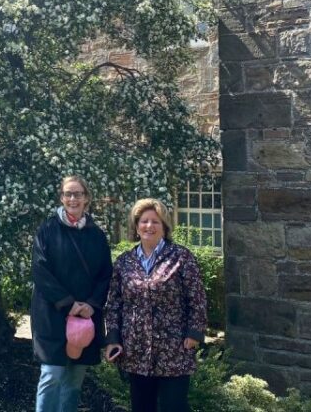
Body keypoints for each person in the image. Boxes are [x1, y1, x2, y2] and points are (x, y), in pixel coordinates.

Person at [104, 198, 207, 412]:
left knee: (174, 407)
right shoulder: (124, 262)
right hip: (136, 350)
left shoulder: (181, 257)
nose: (149, 226)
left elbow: (196, 298)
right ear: (136, 225)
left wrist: (194, 333)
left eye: (155, 222)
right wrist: (113, 338)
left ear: (164, 227)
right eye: (144, 221)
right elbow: (114, 304)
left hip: (174, 348)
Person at [31, 175, 113, 412]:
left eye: (78, 194)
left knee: (74, 380)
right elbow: (40, 270)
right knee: (51, 375)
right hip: (52, 314)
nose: (72, 199)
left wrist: (91, 303)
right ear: (61, 197)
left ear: (86, 198)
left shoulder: (96, 235)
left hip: (85, 317)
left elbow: (106, 274)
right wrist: (68, 304)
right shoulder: (47, 230)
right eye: (68, 194)